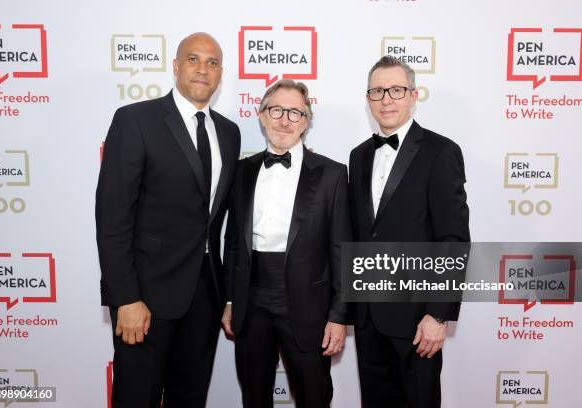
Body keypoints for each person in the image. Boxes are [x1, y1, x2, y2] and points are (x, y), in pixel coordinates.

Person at [95, 32, 241, 407]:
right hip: (146, 297)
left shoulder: (229, 132)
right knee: (136, 397)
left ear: (220, 74)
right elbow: (112, 217)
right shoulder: (136, 120)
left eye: (212, 63)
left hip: (205, 295)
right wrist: (126, 297)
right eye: (193, 59)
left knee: (189, 398)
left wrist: (226, 295)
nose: (202, 69)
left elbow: (220, 223)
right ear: (175, 66)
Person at [221, 79, 351, 407]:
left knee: (314, 395)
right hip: (251, 302)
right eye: (277, 110)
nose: (284, 120)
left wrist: (339, 315)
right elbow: (234, 240)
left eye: (295, 113)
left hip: (309, 304)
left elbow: (341, 248)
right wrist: (231, 300)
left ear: (307, 122)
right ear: (262, 116)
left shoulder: (332, 174)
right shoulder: (241, 171)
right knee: (254, 395)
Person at [349, 55, 470, 408]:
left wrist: (438, 313)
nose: (386, 98)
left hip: (418, 318)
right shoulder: (358, 157)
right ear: (368, 99)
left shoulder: (441, 151)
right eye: (377, 91)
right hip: (368, 315)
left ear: (414, 95)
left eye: (396, 90)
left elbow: (453, 239)